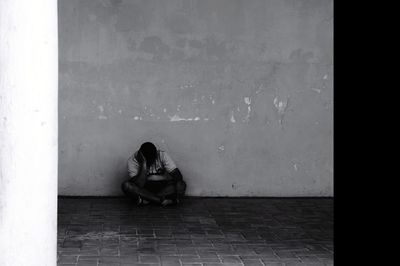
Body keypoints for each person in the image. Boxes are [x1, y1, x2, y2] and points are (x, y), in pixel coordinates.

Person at [121, 142, 186, 206]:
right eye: (149, 160)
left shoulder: (162, 155)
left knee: (181, 184)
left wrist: (177, 183)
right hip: (144, 189)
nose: (152, 162)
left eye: (153, 159)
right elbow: (139, 185)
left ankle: (148, 200)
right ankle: (161, 201)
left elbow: (178, 175)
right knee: (126, 185)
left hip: (161, 187)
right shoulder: (132, 160)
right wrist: (143, 164)